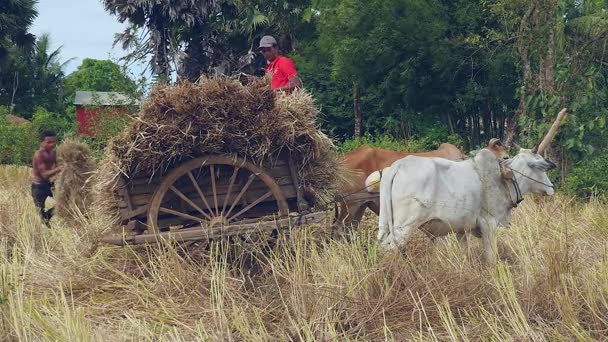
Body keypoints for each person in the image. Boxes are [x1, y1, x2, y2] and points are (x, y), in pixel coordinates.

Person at [31, 130, 62, 225]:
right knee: (42, 212)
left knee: (58, 206)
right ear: (42, 142)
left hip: (48, 184)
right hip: (39, 187)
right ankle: (44, 228)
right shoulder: (38, 155)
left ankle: (47, 224)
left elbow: (57, 164)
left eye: (53, 142)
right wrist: (60, 169)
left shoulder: (53, 153)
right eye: (49, 142)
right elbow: (44, 174)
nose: (52, 144)